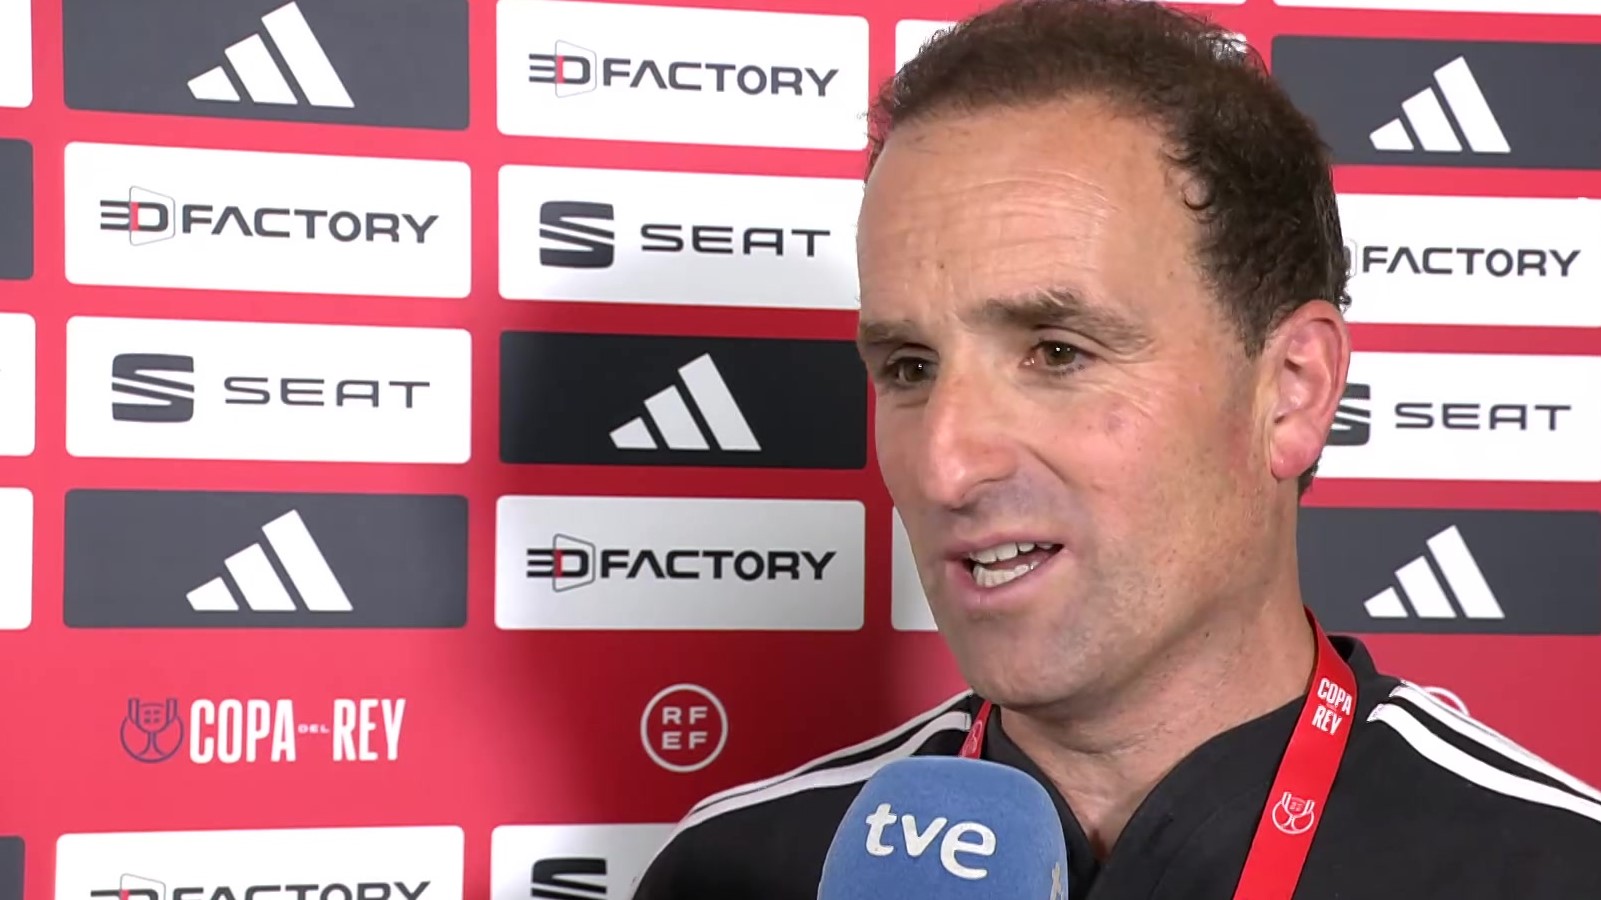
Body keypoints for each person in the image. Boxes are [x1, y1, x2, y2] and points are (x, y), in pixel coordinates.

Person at [627, 1, 1601, 897]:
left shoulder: (1550, 869)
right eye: (909, 368)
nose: (944, 467)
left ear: (1291, 391)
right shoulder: (731, 873)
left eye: (1057, 353)